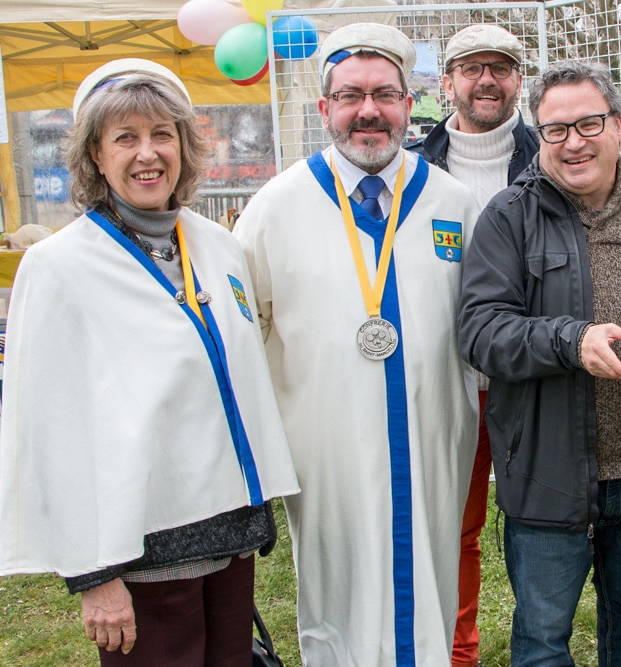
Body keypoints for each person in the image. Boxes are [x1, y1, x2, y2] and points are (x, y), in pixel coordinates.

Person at [0, 59, 300, 666]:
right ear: (93, 156)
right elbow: (47, 428)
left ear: (185, 147)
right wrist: (94, 574)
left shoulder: (215, 245)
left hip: (230, 537)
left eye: (163, 135)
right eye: (125, 138)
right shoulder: (60, 267)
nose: (147, 154)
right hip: (142, 553)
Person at [233, 23, 480, 667]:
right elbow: (246, 335)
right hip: (326, 449)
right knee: (337, 586)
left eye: (385, 94)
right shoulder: (274, 209)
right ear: (325, 109)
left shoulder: (452, 201)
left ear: (409, 104)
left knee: (432, 578)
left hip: (433, 440)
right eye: (349, 96)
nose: (368, 111)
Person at [457, 60, 621, 667]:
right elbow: (481, 331)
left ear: (620, 126)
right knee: (543, 644)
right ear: (539, 136)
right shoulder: (508, 215)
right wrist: (573, 341)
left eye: (588, 123)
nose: (573, 142)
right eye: (555, 130)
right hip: (549, 475)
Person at [408, 23, 538, 667]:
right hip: (446, 379)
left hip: (531, 376)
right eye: (471, 67)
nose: (486, 79)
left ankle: (540, 646)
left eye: (501, 67)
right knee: (453, 527)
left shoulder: (550, 159)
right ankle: (457, 652)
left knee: (539, 525)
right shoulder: (409, 166)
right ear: (447, 80)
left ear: (519, 80)